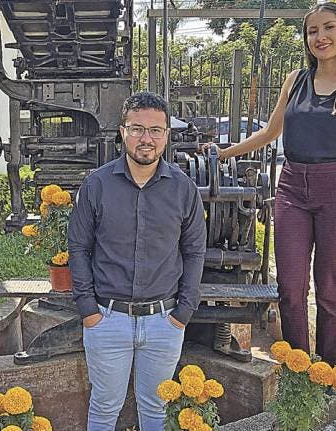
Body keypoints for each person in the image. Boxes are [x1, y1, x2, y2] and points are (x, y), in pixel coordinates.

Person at [206, 2, 336, 366]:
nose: (320, 37)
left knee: (330, 288)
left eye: (328, 27)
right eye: (312, 30)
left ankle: (330, 371)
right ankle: (298, 370)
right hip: (292, 188)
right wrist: (224, 153)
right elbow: (270, 132)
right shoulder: (296, 81)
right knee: (289, 286)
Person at [68, 91, 207, 430]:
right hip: (107, 320)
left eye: (155, 130)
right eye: (137, 129)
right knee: (104, 407)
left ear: (166, 135)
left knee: (157, 410)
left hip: (164, 322)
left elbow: (194, 251)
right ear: (123, 132)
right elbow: (78, 248)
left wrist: (183, 312)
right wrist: (88, 310)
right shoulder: (97, 185)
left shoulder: (183, 189)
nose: (147, 138)